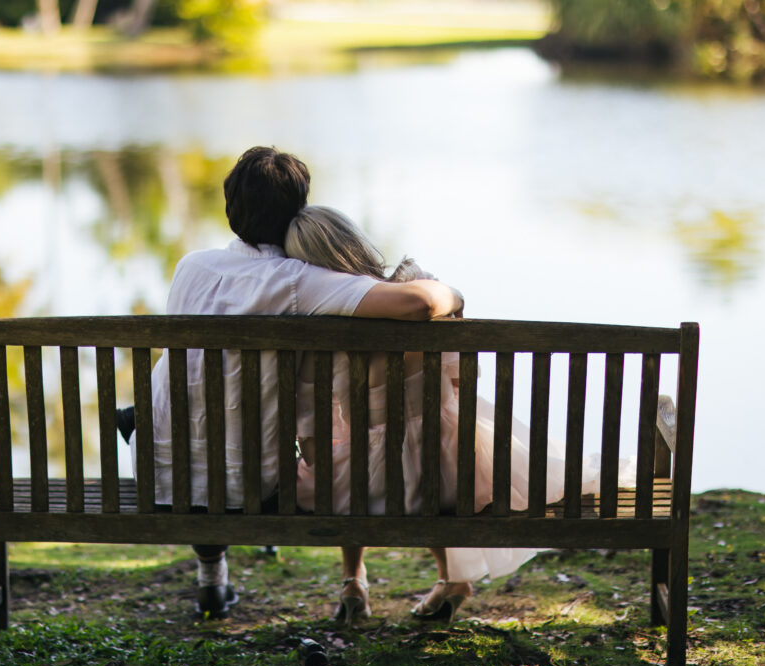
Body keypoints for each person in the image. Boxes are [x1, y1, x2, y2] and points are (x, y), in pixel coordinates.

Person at [124, 148, 464, 619]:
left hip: (165, 473)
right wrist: (453, 294)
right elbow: (420, 304)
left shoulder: (190, 266)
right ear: (296, 213)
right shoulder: (299, 281)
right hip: (249, 486)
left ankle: (212, 575)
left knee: (202, 430)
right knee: (241, 449)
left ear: (229, 206)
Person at [286, 205, 590, 623]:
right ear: (354, 239)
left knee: (348, 460)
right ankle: (452, 580)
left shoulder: (316, 323)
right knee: (425, 453)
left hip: (366, 487)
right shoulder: (418, 286)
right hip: (451, 472)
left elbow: (311, 428)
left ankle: (353, 579)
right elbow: (463, 379)